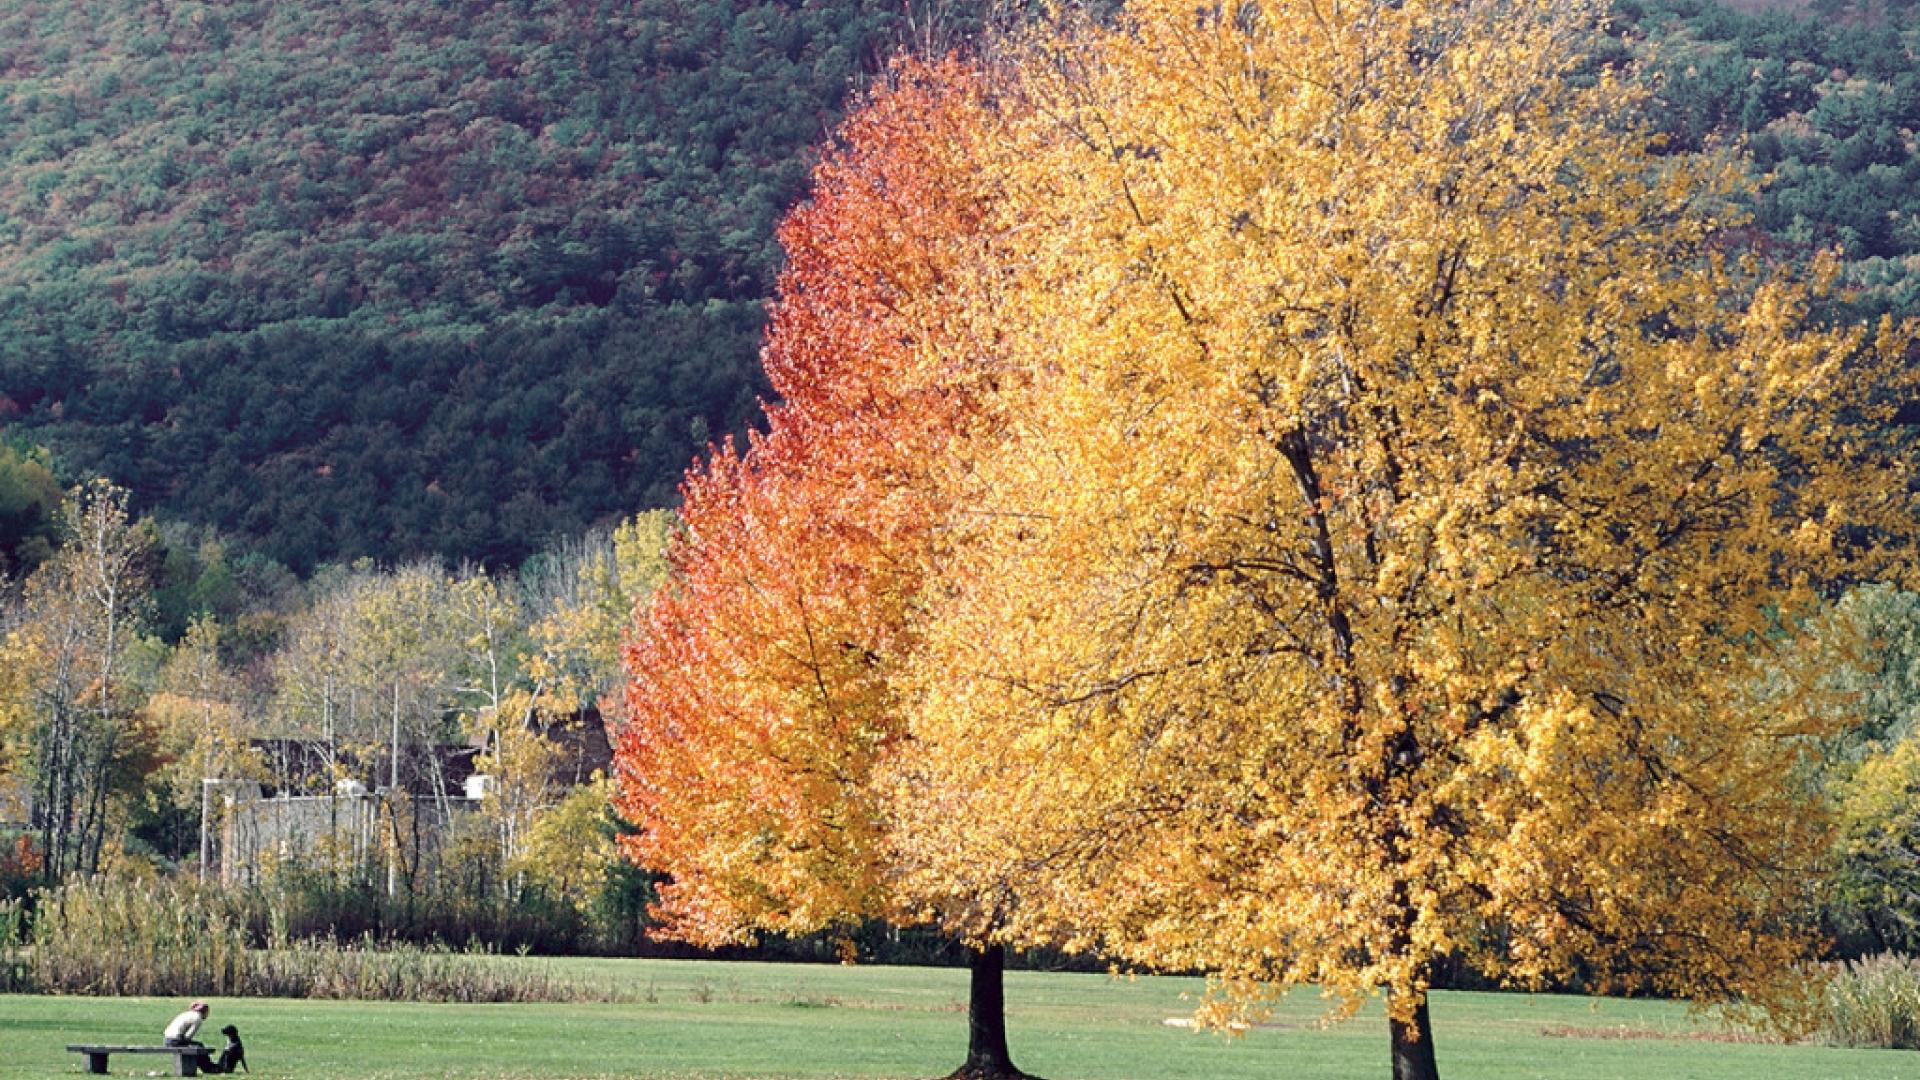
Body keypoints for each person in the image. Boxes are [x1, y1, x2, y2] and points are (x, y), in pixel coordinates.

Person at [163, 1001, 222, 1074]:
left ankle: (208, 1067)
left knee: (197, 1045)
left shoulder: (187, 1013)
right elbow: (188, 1037)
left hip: (167, 1039)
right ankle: (209, 1068)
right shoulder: (198, 1018)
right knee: (199, 1046)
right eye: (208, 1012)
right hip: (175, 1041)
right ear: (205, 1012)